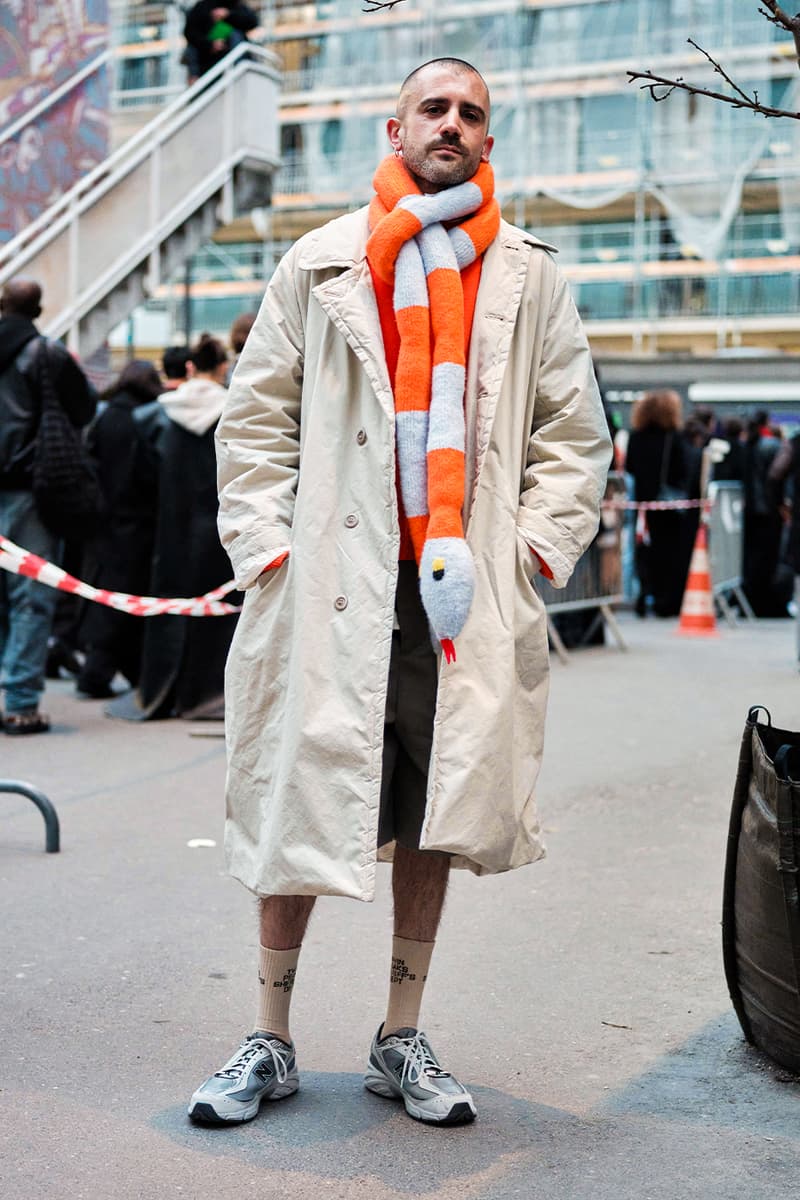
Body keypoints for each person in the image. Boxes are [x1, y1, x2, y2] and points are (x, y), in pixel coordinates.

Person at [189, 59, 611, 1128]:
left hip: (457, 596)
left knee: (435, 803)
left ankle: (400, 1033)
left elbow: (572, 434)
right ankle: (269, 1036)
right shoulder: (322, 260)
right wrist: (267, 550)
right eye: (435, 108)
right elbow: (254, 423)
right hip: (330, 581)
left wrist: (523, 558)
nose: (452, 125)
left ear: (487, 140)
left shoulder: (525, 274)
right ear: (395, 126)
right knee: (297, 800)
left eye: (471, 113)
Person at [111, 334, 239, 721]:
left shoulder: (152, 417)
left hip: (169, 532)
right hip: (220, 531)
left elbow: (138, 483)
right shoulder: (234, 411)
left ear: (188, 367)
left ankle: (162, 689)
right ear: (221, 367)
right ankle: (209, 691)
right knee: (218, 615)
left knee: (169, 607)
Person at [0, 279, 95, 734]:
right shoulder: (46, 354)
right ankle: (19, 703)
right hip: (27, 489)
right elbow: (83, 409)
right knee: (31, 596)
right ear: (38, 308)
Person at [76, 360, 163, 699]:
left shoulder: (106, 415)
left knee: (109, 595)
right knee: (125, 600)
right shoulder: (140, 420)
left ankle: (118, 671)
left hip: (102, 520)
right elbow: (145, 474)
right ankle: (97, 672)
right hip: (134, 523)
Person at [624, 389, 688, 617]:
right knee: (670, 554)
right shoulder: (674, 437)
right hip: (669, 507)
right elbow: (682, 469)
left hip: (642, 505)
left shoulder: (635, 436)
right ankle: (666, 601)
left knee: (643, 552)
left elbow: (629, 467)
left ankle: (643, 596)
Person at [182, 1, 258, 84]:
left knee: (236, 34)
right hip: (208, 65)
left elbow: (253, 21)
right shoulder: (202, 7)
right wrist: (210, 44)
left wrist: (228, 15)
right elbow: (190, 33)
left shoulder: (235, 6)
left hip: (235, 66)